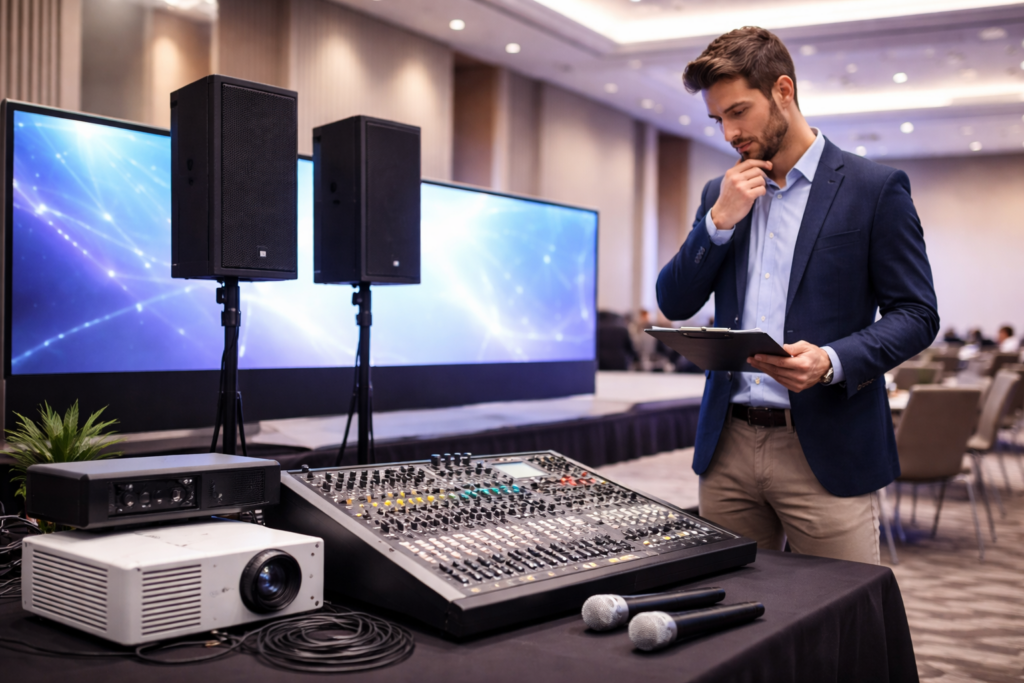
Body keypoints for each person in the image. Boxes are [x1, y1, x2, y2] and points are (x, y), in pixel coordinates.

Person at [656, 27, 939, 564]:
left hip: (828, 448)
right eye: (718, 120)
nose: (729, 133)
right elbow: (674, 302)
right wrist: (717, 222)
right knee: (729, 607)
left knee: (841, 608)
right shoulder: (722, 193)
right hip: (727, 447)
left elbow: (917, 313)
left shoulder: (874, 189)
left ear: (783, 91)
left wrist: (832, 360)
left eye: (739, 112)